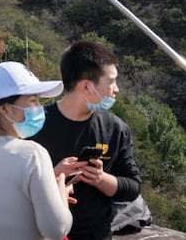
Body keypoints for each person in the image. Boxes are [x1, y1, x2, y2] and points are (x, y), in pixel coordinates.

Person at [31, 41, 142, 240]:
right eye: (111, 82)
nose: (116, 89)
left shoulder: (115, 129)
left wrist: (100, 179)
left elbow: (132, 187)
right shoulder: (35, 126)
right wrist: (52, 177)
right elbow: (13, 189)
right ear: (87, 87)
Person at [0, 62, 72, 240]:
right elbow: (56, 230)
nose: (39, 107)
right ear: (4, 108)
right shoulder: (32, 154)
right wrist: (60, 195)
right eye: (33, 100)